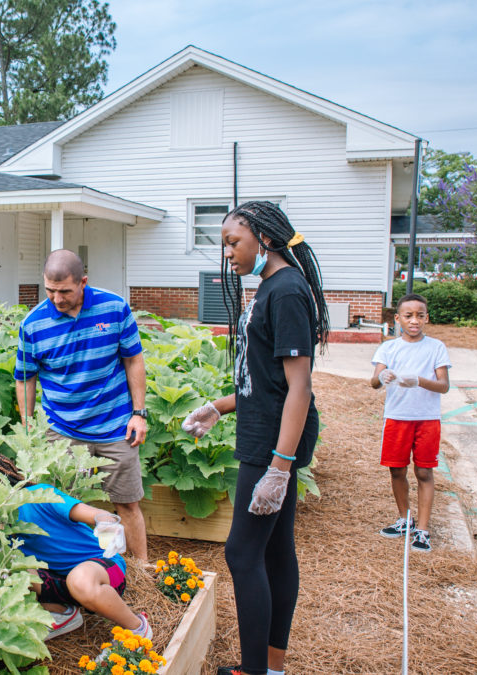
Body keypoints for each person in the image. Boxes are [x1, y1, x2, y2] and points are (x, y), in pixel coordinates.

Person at [181, 201, 329, 675]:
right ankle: (272, 667)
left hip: (271, 445)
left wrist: (279, 469)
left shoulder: (285, 291)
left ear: (264, 238)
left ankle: (253, 672)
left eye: (232, 242)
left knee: (241, 553)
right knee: (274, 550)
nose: (227, 254)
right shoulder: (270, 287)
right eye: (224, 244)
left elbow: (299, 388)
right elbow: (264, 381)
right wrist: (218, 407)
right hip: (263, 432)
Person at [14, 249, 150, 562]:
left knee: (128, 503)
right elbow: (25, 379)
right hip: (61, 430)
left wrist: (139, 414)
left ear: (83, 282)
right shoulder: (33, 325)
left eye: (64, 291)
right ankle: (80, 568)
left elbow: (133, 359)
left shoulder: (114, 308)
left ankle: (142, 572)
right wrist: (29, 429)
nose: (56, 299)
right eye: (49, 290)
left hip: (115, 426)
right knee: (66, 506)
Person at [0, 452, 152, 641]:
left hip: (103, 569)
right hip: (62, 581)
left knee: (79, 580)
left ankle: (137, 628)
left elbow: (96, 514)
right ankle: (63, 614)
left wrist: (108, 525)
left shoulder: (40, 496)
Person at [369, 292, 451, 552]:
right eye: (408, 315)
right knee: (397, 470)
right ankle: (405, 519)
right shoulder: (388, 348)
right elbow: (373, 382)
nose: (414, 320)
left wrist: (419, 380)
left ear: (427, 318)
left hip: (426, 420)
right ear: (397, 319)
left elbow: (444, 386)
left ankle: (423, 530)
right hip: (397, 418)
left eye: (419, 315)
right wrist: (383, 377)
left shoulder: (436, 347)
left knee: (424, 472)